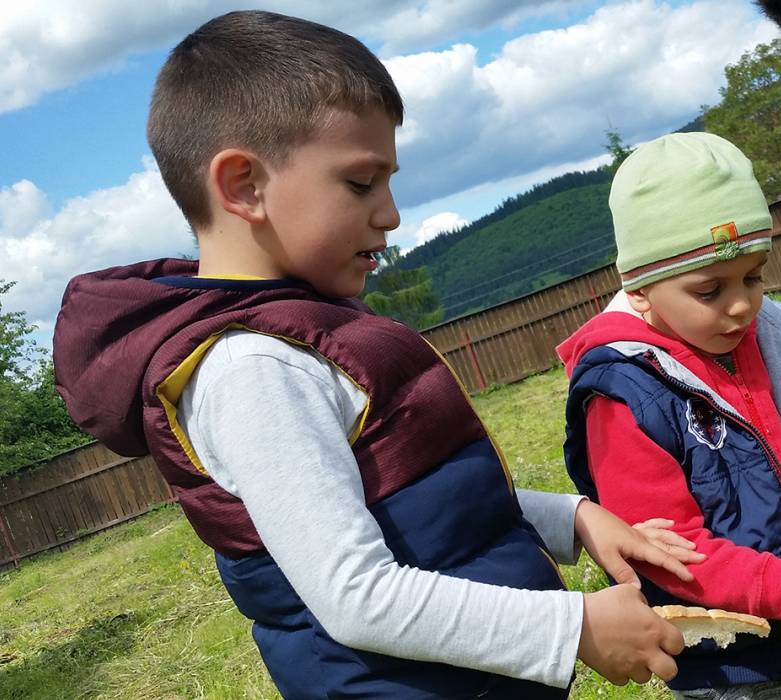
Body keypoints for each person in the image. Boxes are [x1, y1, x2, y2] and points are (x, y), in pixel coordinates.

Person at [52, 11, 693, 698]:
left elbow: (422, 513)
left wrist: (569, 518)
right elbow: (357, 597)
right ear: (243, 185)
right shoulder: (253, 369)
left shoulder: (302, 330)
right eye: (361, 183)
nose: (390, 212)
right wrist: (571, 629)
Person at [558, 132, 781, 699]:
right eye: (709, 289)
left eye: (754, 276)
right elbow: (670, 552)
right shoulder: (624, 395)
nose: (741, 304)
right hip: (729, 670)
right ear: (640, 291)